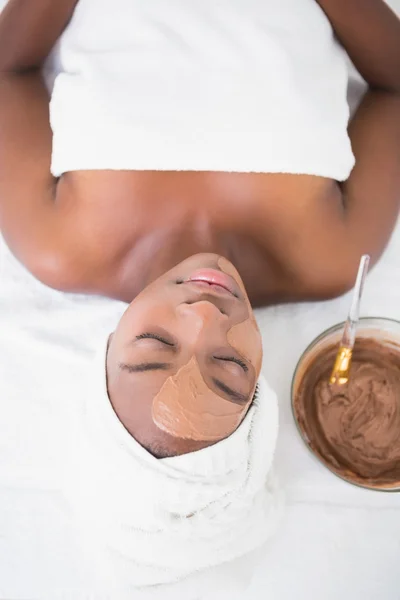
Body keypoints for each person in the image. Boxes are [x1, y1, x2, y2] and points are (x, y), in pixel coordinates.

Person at [0, 0, 399, 308]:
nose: (204, 318)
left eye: (155, 347)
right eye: (229, 367)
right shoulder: (334, 258)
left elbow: (8, 69)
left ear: (108, 350)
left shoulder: (56, 247)